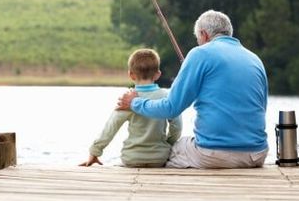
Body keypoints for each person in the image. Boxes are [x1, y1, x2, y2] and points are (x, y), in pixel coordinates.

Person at [117, 10, 268, 168]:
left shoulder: (199, 54)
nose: (198, 44)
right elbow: (261, 108)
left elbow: (170, 108)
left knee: (172, 150)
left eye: (198, 40)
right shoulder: (255, 59)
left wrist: (135, 103)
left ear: (204, 34)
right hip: (256, 154)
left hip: (214, 154)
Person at [79, 49, 182, 168]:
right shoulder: (166, 96)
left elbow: (111, 127)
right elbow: (177, 127)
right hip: (159, 158)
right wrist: (167, 144)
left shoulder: (127, 99)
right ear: (158, 74)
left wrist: (94, 152)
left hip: (132, 158)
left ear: (131, 75)